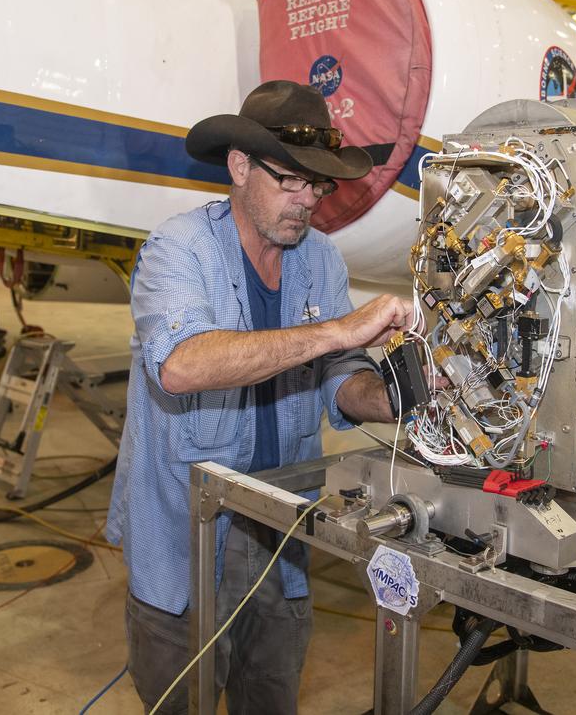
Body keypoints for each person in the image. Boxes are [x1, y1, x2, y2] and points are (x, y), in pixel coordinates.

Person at [105, 80, 411, 714]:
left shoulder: (320, 259)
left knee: (271, 694)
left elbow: (340, 378)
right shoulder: (178, 249)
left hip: (279, 531)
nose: (307, 201)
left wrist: (402, 395)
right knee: (179, 701)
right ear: (239, 166)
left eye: (318, 186)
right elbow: (181, 365)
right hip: (186, 533)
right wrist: (337, 330)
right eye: (291, 180)